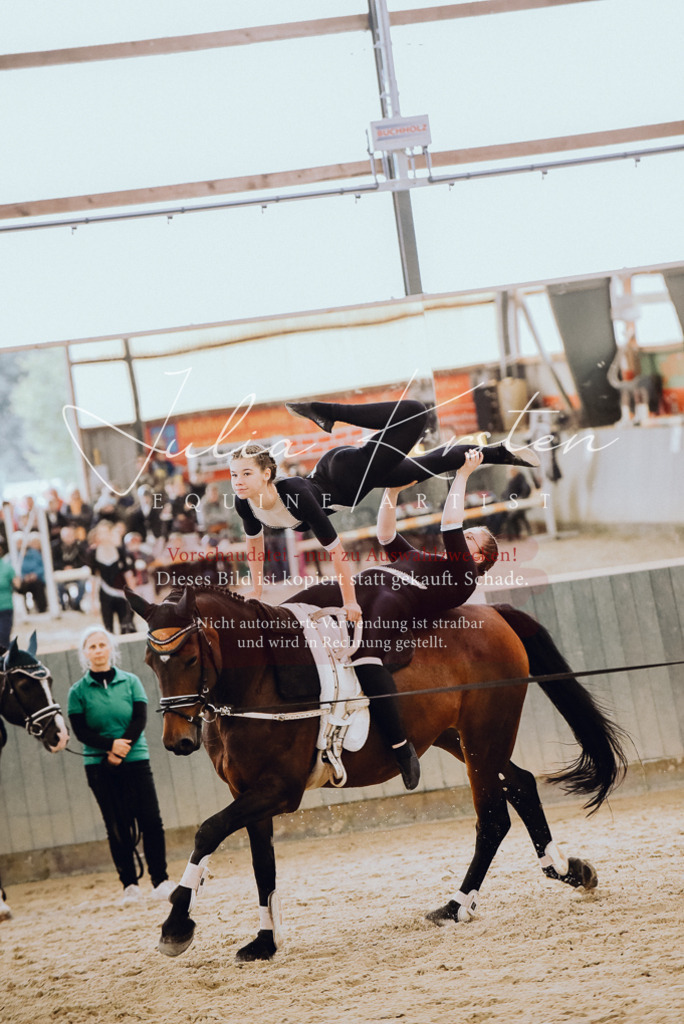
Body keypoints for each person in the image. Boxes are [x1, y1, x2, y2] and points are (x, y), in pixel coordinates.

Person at [285, 449, 497, 790]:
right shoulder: (423, 558)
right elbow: (385, 535)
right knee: (288, 610)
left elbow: (450, 524)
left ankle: (401, 748)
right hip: (360, 586)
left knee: (366, 657)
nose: (463, 538)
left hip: (392, 598)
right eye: (467, 534)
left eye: (470, 538)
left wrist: (462, 476)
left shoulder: (463, 576)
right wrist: (392, 491)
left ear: (479, 556)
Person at [231, 398, 537, 621]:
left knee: (417, 428)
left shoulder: (293, 494)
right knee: (421, 447)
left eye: (245, 474)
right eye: (234, 475)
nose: (238, 482)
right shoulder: (244, 500)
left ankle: (500, 452)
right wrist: (256, 590)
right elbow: (255, 544)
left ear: (266, 475)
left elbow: (338, 552)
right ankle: (500, 453)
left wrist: (350, 602)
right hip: (341, 476)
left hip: (343, 477)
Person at [67, 626, 174, 906]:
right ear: (85, 653)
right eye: (92, 646)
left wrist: (122, 747)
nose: (98, 650)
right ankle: (130, 886)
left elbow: (139, 719)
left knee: (151, 820)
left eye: (102, 645)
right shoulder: (77, 692)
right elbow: (80, 731)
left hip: (136, 759)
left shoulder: (131, 682)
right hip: (99, 766)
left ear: (111, 649)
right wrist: (109, 748)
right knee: (117, 825)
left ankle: (161, 880)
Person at [87, 521, 136, 633]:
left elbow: (128, 574)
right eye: (100, 533)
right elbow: (94, 578)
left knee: (127, 627)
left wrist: (134, 597)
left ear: (111, 533)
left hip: (122, 594)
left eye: (105, 532)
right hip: (105, 594)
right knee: (108, 628)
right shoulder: (93, 553)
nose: (102, 535)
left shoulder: (120, 551)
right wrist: (93, 601)